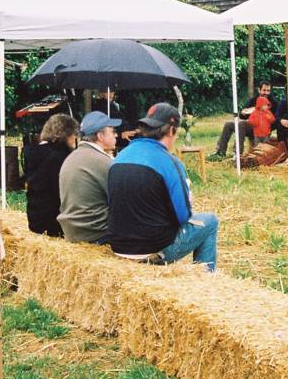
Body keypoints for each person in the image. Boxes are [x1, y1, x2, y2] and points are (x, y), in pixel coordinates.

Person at [107, 103, 219, 271]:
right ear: (172, 130)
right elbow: (183, 216)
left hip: (118, 246)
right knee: (210, 221)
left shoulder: (119, 157)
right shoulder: (170, 162)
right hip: (154, 248)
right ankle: (206, 279)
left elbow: (111, 203)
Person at [57, 111, 121, 243]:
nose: (116, 135)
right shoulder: (103, 162)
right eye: (112, 131)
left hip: (72, 232)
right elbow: (124, 200)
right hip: (97, 234)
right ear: (100, 136)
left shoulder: (71, 157)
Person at [25, 114, 78, 237]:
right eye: (74, 134)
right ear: (67, 134)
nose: (75, 138)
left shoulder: (33, 152)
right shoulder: (61, 156)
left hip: (35, 220)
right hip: (54, 224)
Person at [208, 80, 277, 161]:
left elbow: (275, 120)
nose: (266, 93)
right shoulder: (253, 100)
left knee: (241, 124)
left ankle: (238, 153)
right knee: (229, 124)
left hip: (263, 130)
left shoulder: (273, 103)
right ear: (259, 90)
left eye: (268, 90)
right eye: (264, 90)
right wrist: (243, 113)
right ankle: (220, 151)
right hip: (251, 125)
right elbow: (242, 115)